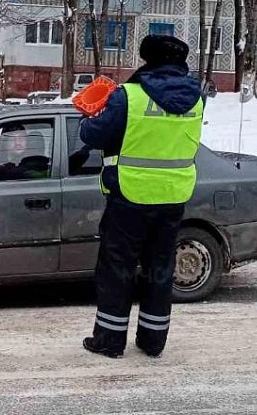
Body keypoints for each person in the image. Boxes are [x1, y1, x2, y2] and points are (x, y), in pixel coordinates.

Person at [79, 35, 205, 358]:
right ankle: (153, 341)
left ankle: (109, 340)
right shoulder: (197, 99)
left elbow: (92, 134)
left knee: (117, 267)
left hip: (130, 196)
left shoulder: (129, 96)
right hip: (173, 196)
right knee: (160, 268)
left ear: (147, 60)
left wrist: (91, 114)